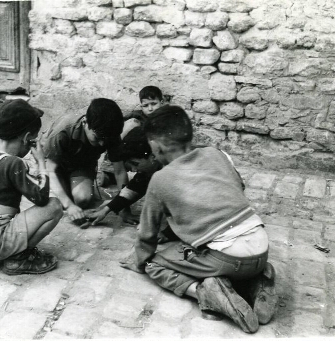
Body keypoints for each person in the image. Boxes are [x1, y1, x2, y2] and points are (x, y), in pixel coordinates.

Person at [120, 105, 278, 333]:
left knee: (154, 263)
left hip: (225, 258)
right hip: (261, 250)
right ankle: (260, 280)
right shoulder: (217, 154)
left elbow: (147, 235)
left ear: (155, 146)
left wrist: (139, 260)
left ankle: (205, 293)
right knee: (222, 252)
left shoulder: (160, 179)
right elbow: (238, 188)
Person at [0, 99, 63, 275]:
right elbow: (41, 198)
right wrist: (40, 162)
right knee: (54, 206)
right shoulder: (12, 163)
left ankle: (11, 248)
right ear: (26, 138)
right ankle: (18, 259)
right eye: (33, 140)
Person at [42, 98, 128, 223]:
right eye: (97, 138)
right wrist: (69, 205)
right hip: (55, 167)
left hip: (81, 165)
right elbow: (50, 170)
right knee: (57, 205)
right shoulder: (63, 131)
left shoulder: (110, 133)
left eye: (106, 140)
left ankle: (72, 186)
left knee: (82, 199)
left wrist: (124, 208)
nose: (102, 143)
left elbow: (120, 171)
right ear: (85, 122)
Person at [82, 127, 162, 228]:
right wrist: (106, 210)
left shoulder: (175, 169)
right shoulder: (155, 162)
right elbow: (135, 187)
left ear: (152, 156)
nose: (133, 169)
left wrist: (167, 234)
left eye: (135, 163)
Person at [97, 86, 165, 187]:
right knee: (131, 123)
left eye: (154, 104)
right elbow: (120, 124)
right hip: (132, 153)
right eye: (146, 105)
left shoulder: (167, 117)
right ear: (141, 106)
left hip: (153, 156)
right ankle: (109, 168)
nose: (150, 109)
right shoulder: (138, 116)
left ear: (162, 102)